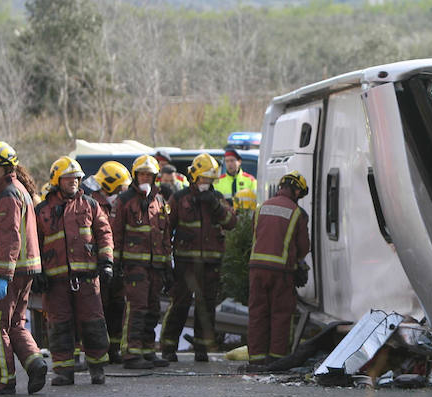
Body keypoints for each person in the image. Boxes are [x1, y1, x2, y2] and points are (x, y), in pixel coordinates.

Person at [0, 141, 47, 396]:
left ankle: (3, 380)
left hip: (7, 272)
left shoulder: (8, 195)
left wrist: (3, 275)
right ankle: (35, 363)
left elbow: (10, 236)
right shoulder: (15, 191)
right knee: (14, 323)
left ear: (7, 168)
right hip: (22, 270)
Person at [34, 157, 113, 386]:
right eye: (68, 179)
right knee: (59, 326)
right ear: (57, 181)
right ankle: (63, 371)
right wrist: (37, 272)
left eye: (76, 179)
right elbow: (34, 242)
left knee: (93, 324)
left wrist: (106, 262)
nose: (73, 183)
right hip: (55, 281)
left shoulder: (90, 205)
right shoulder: (43, 210)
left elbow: (104, 233)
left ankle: (97, 369)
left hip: (87, 279)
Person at [160, 153, 237, 362]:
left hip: (211, 264)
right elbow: (166, 228)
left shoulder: (217, 198)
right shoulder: (179, 198)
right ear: (194, 177)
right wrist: (166, 259)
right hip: (186, 263)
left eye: (210, 180)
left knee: (206, 306)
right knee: (180, 305)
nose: (207, 183)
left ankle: (202, 349)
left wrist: (216, 206)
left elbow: (231, 222)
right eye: (204, 179)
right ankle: (167, 348)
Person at [110, 155, 172, 369]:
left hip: (155, 267)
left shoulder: (160, 201)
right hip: (134, 266)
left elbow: (165, 235)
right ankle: (131, 353)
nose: (145, 177)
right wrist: (114, 263)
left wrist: (167, 264)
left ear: (155, 177)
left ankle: (147, 350)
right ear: (135, 176)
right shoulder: (125, 200)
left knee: (153, 309)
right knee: (137, 308)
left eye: (149, 174)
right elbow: (116, 233)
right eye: (142, 174)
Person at [246, 171, 310, 369]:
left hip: (256, 269)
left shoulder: (261, 208)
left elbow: (256, 235)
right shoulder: (297, 213)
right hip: (281, 272)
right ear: (296, 190)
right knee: (281, 315)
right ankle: (277, 360)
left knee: (257, 314)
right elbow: (303, 246)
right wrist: (299, 264)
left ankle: (256, 360)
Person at [81, 160, 131, 363]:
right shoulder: (91, 203)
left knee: (117, 308)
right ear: (111, 185)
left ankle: (114, 349)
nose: (124, 190)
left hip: (119, 263)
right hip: (98, 264)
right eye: (121, 186)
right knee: (98, 308)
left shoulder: (122, 203)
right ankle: (96, 352)